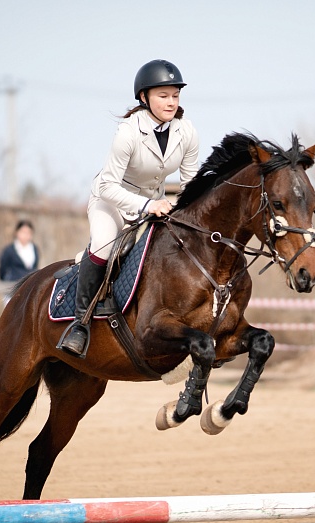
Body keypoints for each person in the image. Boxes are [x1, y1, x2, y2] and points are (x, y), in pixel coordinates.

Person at [57, 59, 200, 357]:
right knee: (104, 246)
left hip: (155, 204)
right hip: (110, 201)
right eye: (163, 96)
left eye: (175, 95)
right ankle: (80, 325)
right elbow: (108, 186)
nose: (171, 102)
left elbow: (191, 184)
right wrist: (148, 204)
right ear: (144, 97)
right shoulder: (128, 132)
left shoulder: (186, 131)